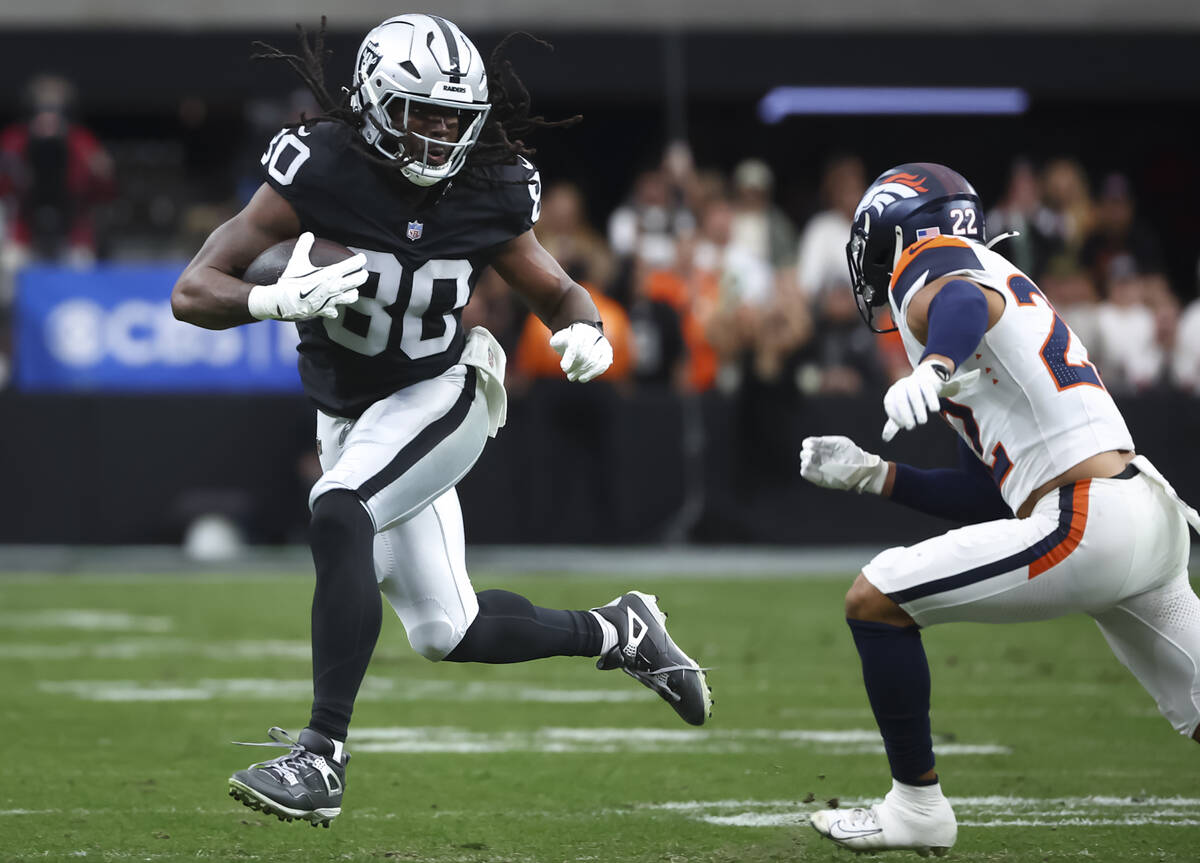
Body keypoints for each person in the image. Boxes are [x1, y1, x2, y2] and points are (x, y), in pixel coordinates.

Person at [171, 15, 711, 828]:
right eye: (423, 112)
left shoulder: (490, 184)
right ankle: (618, 630)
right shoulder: (321, 165)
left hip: (443, 389)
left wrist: (585, 327)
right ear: (377, 103)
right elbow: (193, 287)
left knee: (339, 507)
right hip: (349, 413)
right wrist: (269, 298)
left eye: (455, 117)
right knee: (444, 629)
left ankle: (320, 757)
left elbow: (557, 289)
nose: (441, 133)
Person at [798, 163, 1200, 856]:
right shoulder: (996, 279)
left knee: (876, 597)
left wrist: (930, 366)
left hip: (1088, 519)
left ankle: (917, 808)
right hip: (1146, 512)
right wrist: (875, 476)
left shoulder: (935, 270)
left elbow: (957, 298)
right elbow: (989, 496)